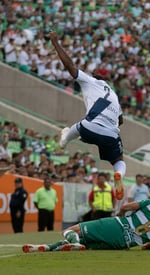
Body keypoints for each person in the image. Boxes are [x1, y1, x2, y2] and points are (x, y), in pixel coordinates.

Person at [48, 31, 126, 200]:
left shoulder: (90, 82)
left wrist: (56, 43)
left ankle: (65, 139)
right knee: (118, 160)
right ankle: (118, 174)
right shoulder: (113, 95)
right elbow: (121, 120)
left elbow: (70, 67)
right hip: (111, 134)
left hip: (89, 127)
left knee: (81, 127)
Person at [22, 195, 150, 253]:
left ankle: (75, 243)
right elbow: (146, 246)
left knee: (71, 230)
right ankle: (43, 248)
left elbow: (125, 207)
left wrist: (119, 216)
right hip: (121, 244)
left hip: (116, 225)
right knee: (83, 243)